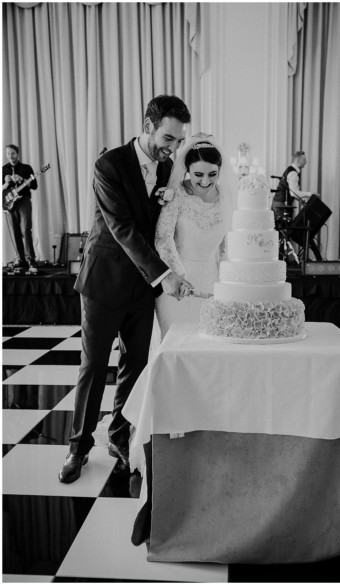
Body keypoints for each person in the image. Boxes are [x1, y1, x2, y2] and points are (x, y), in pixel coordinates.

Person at [58, 95, 192, 483]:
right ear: (148, 126)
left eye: (179, 140)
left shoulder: (168, 167)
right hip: (104, 281)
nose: (173, 148)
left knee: (133, 366)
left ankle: (118, 434)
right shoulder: (109, 164)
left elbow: (162, 225)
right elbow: (122, 228)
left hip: (141, 286)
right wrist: (164, 274)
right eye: (169, 137)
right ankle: (77, 448)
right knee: (94, 366)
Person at [154, 134, 232, 338]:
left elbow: (227, 243)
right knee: (175, 344)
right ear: (187, 169)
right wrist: (177, 275)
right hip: (177, 285)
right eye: (198, 174)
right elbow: (163, 237)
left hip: (213, 283)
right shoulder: (177, 194)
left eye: (212, 174)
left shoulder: (227, 197)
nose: (205, 181)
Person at [3, 144, 38, 270]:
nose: (10, 156)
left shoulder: (26, 168)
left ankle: (31, 260)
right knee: (15, 232)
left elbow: (34, 185)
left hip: (24, 201)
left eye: (13, 153)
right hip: (9, 204)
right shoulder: (3, 170)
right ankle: (21, 260)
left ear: (17, 154)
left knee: (26, 230)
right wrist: (6, 183)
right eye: (8, 154)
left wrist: (23, 179)